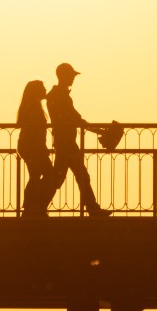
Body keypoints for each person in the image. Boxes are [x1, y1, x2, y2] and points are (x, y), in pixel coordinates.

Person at [46, 63, 109, 217]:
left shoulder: (58, 95)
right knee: (65, 177)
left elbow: (75, 118)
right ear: (63, 76)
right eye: (71, 76)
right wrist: (95, 129)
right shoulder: (59, 96)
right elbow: (74, 118)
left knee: (69, 176)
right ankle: (38, 206)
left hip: (65, 142)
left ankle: (92, 208)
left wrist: (94, 129)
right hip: (65, 142)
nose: (73, 79)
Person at [15, 79, 57, 217]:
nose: (45, 89)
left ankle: (32, 207)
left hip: (31, 147)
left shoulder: (33, 106)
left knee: (37, 175)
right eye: (42, 87)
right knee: (44, 175)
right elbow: (34, 132)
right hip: (32, 148)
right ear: (36, 91)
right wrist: (39, 148)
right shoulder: (33, 108)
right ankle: (32, 207)